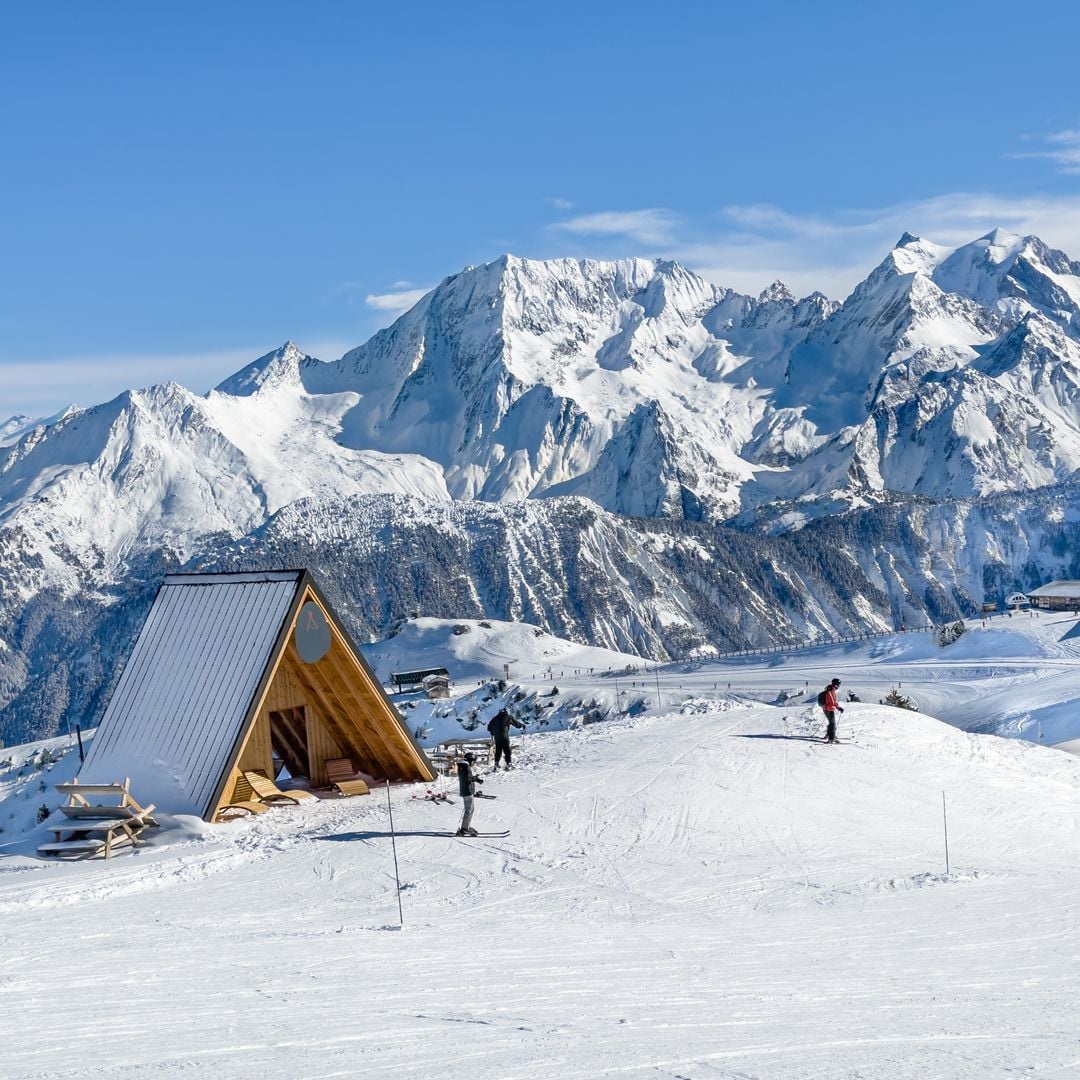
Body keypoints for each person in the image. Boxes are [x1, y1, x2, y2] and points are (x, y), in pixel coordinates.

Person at [456, 753, 482, 836]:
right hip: (467, 791)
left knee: (470, 809)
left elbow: (467, 777)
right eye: (473, 761)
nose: (474, 763)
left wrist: (474, 778)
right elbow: (468, 778)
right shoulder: (465, 767)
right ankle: (465, 829)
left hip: (465, 790)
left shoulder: (462, 766)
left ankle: (466, 826)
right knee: (469, 810)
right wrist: (476, 779)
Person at [821, 677, 844, 743]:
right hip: (829, 709)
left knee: (831, 723)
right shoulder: (830, 691)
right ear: (835, 684)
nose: (839, 686)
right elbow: (832, 702)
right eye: (838, 685)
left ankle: (829, 735)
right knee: (832, 723)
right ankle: (832, 738)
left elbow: (832, 702)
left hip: (826, 708)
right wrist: (838, 708)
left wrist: (837, 707)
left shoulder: (829, 689)